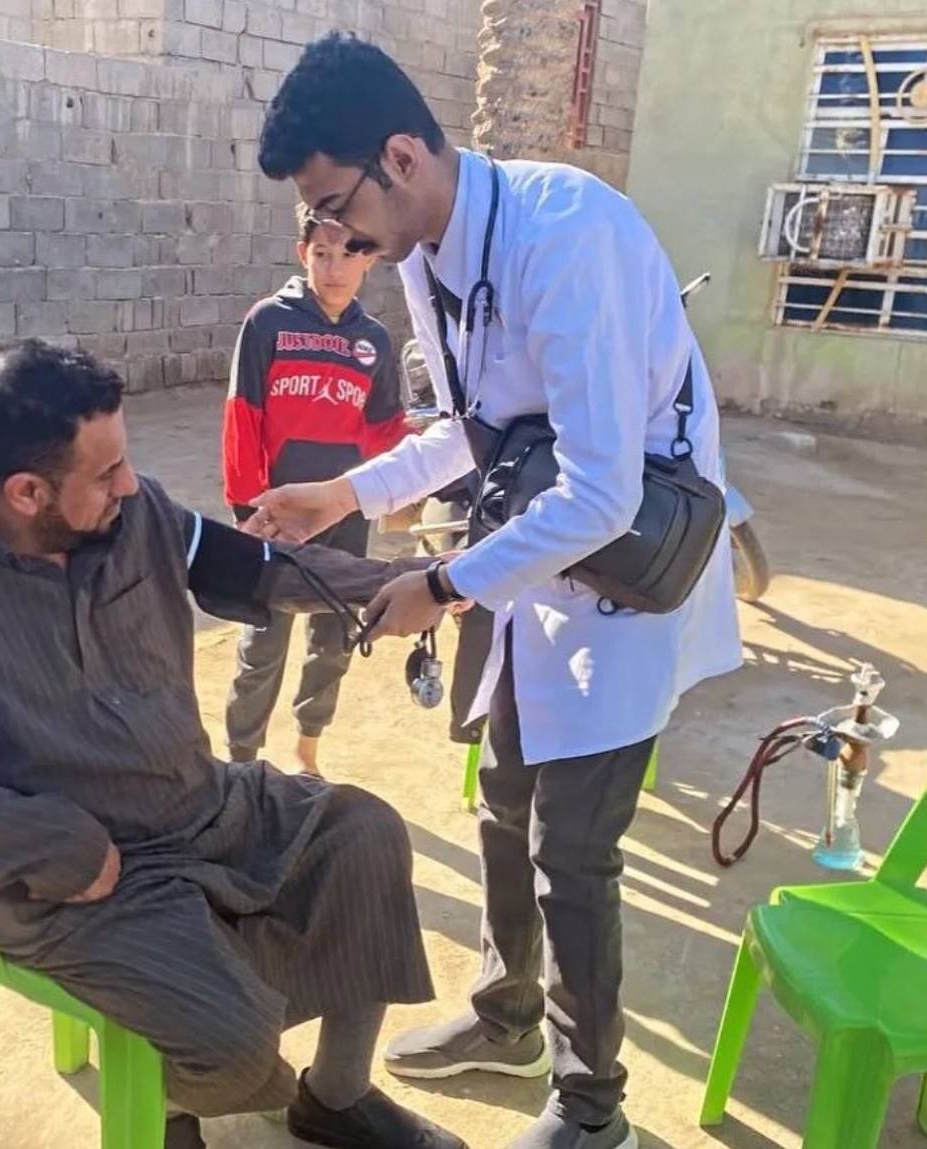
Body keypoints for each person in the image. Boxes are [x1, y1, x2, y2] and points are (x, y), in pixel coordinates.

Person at [249, 34, 743, 1149]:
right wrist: (344, 492)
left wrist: (440, 583)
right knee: (502, 801)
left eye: (334, 207)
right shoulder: (424, 253)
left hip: (623, 569)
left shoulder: (563, 235)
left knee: (574, 848)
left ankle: (592, 1108)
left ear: (399, 157)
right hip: (534, 553)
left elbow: (603, 492)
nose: (334, 238)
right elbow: (473, 426)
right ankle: (506, 1016)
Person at [0, 340, 466, 1149]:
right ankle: (169, 1109)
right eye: (106, 473)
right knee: (228, 1040)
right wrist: (53, 844)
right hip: (74, 876)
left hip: (201, 803)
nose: (130, 483)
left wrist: (407, 586)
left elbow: (261, 568)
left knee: (364, 835)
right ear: (27, 491)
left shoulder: (136, 516)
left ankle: (334, 1098)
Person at [222, 202, 406, 775]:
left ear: (370, 259)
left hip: (345, 518)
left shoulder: (374, 342)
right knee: (262, 642)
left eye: (349, 254)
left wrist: (426, 449)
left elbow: (384, 433)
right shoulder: (268, 324)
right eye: (321, 254)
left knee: (333, 638)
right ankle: (243, 760)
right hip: (275, 519)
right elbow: (242, 418)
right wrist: (248, 512)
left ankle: (308, 751)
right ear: (302, 254)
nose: (334, 268)